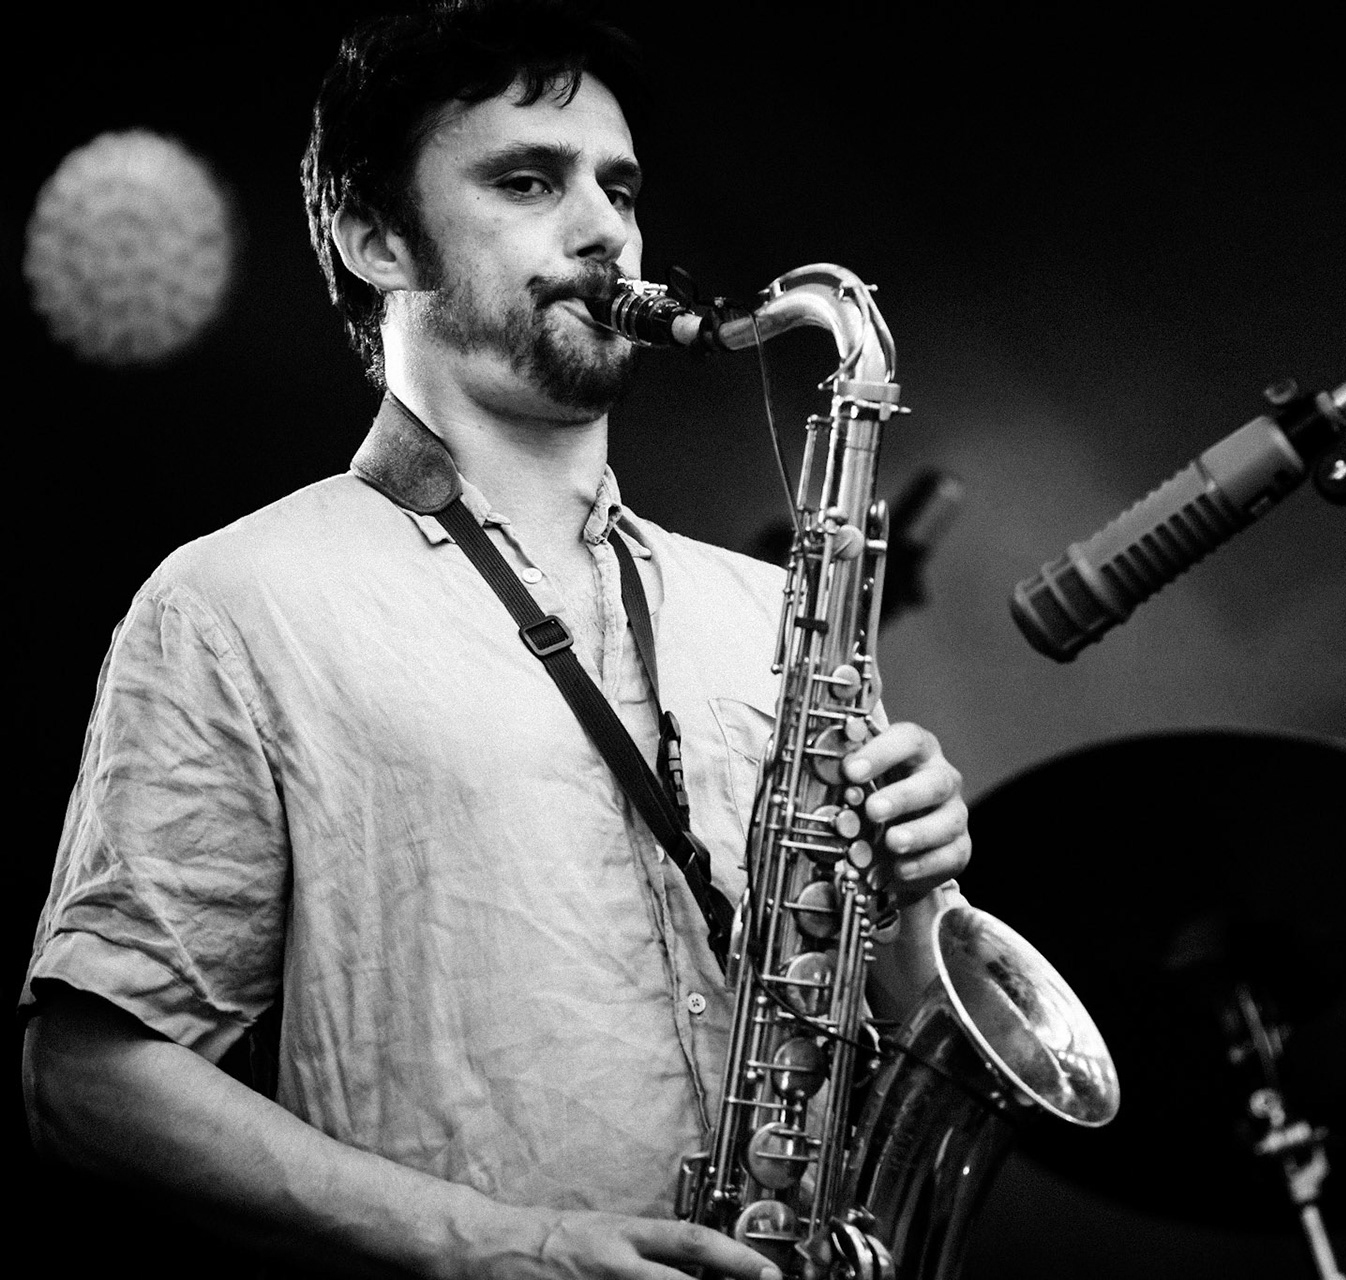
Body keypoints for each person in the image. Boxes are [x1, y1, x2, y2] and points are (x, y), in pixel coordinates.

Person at [19, 5, 971, 1279]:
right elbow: (84, 1079)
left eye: (619, 188)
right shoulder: (238, 600)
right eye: (528, 180)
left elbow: (875, 1024)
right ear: (372, 235)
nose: (603, 228)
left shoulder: (766, 615)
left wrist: (912, 911)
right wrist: (502, 1246)